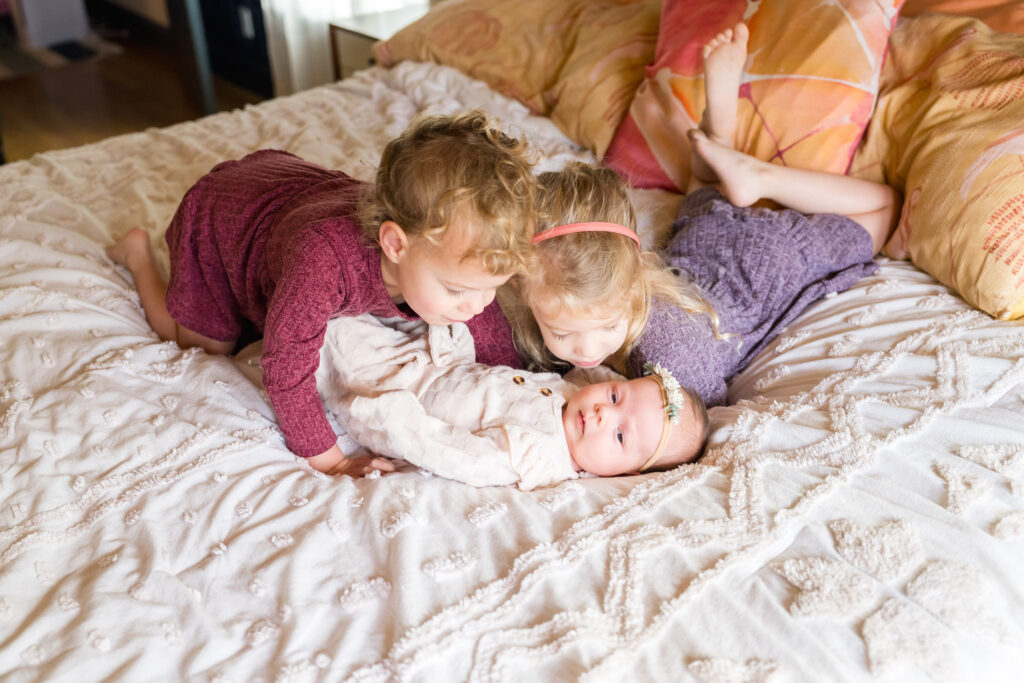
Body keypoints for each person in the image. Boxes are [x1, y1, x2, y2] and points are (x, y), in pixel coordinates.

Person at [502, 23, 900, 435]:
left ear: (636, 279)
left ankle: (760, 178)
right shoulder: (537, 293)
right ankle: (721, 122)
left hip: (762, 266)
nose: (587, 350)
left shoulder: (674, 358)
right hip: (702, 245)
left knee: (883, 209)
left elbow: (690, 429)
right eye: (562, 332)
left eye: (607, 326)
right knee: (706, 191)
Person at [105, 110, 538, 477]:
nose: (478, 306)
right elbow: (286, 366)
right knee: (207, 347)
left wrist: (520, 386)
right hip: (228, 219)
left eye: (491, 289)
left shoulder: (444, 256)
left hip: (286, 190)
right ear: (394, 244)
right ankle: (138, 255)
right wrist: (333, 462)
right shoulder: (323, 261)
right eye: (458, 290)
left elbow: (489, 331)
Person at [316, 314, 706, 489]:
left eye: (621, 436)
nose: (605, 414)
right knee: (368, 301)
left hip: (400, 394)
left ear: (625, 474)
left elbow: (451, 452)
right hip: (436, 362)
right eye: (616, 397)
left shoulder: (535, 455)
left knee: (331, 334)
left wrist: (396, 416)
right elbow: (597, 375)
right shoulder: (580, 397)